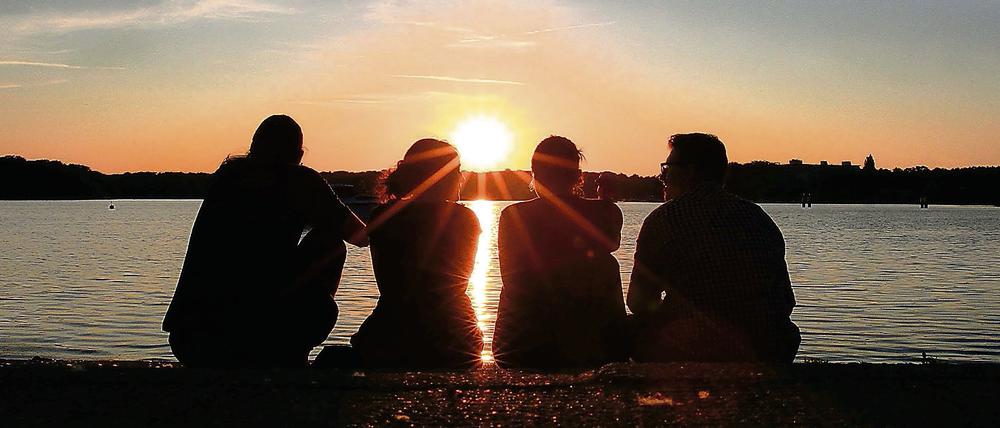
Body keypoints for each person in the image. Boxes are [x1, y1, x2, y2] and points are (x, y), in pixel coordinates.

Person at [163, 115, 368, 368]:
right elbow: (360, 236)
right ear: (299, 154)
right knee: (330, 243)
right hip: (252, 337)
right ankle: (291, 350)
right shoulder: (299, 180)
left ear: (253, 148)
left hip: (190, 340)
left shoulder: (226, 180)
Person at [627, 133, 800, 362]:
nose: (663, 177)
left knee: (628, 327)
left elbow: (638, 301)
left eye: (667, 168)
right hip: (768, 346)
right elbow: (785, 300)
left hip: (696, 346)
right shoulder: (759, 218)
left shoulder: (663, 219)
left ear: (689, 171)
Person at [330, 138, 483, 369]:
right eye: (457, 170)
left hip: (391, 336)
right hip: (455, 339)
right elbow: (458, 282)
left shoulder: (383, 216)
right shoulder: (465, 219)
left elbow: (388, 285)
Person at [493, 136, 627, 368]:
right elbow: (610, 242)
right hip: (598, 346)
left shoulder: (513, 216)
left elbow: (511, 280)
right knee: (605, 265)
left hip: (521, 345)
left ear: (535, 173)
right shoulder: (606, 213)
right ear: (577, 175)